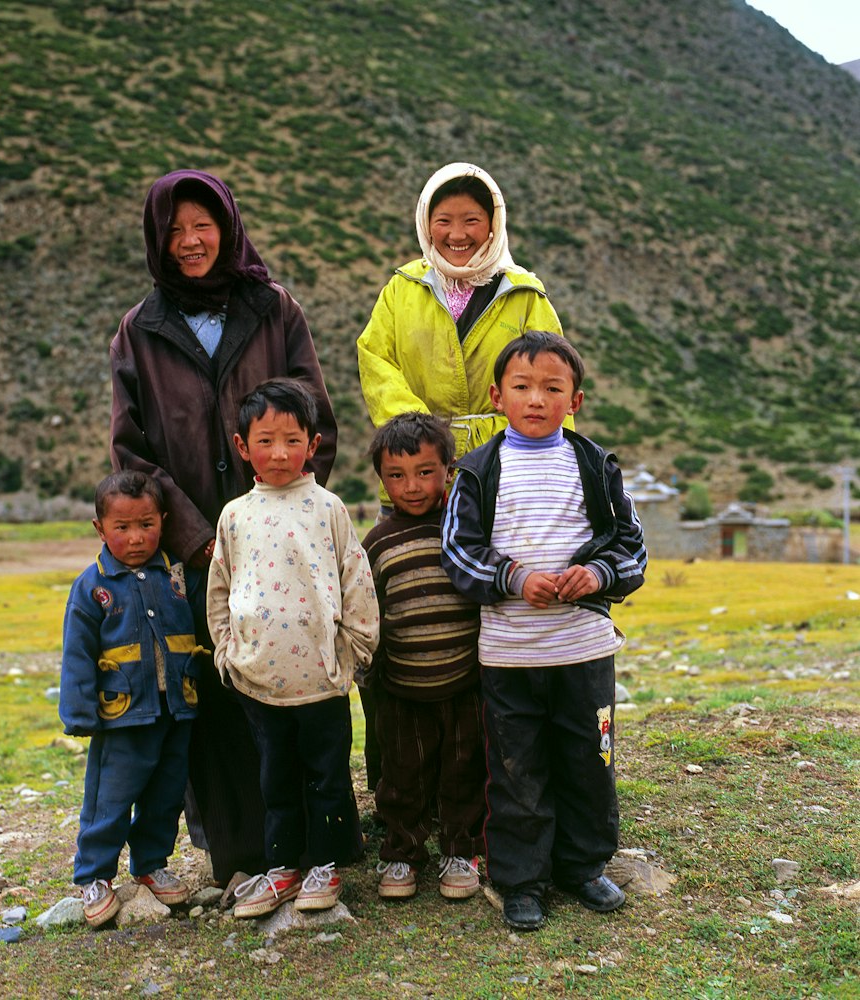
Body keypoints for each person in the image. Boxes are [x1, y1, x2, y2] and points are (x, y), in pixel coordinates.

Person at [109, 169, 338, 888]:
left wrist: (279, 518)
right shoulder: (139, 331)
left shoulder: (274, 309)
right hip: (198, 554)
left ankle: (313, 853)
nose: (189, 241)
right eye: (174, 230)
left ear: (227, 225)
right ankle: (242, 859)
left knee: (293, 691)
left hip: (285, 551)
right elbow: (132, 451)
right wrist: (198, 537)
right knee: (217, 700)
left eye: (202, 225)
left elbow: (315, 422)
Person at [355, 161, 563, 789]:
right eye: (443, 220)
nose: (457, 233)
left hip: (505, 469)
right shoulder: (402, 289)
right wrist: (421, 439)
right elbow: (376, 358)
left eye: (472, 219)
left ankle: (500, 786)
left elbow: (551, 383)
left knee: (495, 611)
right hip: (422, 467)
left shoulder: (525, 293)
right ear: (426, 223)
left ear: (493, 222)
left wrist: (554, 474)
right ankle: (409, 785)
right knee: (422, 605)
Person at [441, 331, 647, 932]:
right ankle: (521, 880)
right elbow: (458, 551)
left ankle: (582, 866)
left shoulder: (594, 464)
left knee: (590, 757)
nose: (537, 399)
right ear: (496, 396)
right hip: (510, 656)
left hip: (583, 651)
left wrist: (597, 572)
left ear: (574, 399)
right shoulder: (478, 471)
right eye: (522, 387)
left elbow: (632, 547)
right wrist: (513, 578)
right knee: (516, 768)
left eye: (552, 388)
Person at [206, 378, 378, 918]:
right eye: (265, 440)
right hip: (260, 680)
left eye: (291, 439)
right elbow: (219, 587)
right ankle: (282, 869)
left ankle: (325, 866)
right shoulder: (234, 515)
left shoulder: (327, 507)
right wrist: (226, 653)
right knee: (274, 780)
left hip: (322, 678)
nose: (278, 453)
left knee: (327, 777)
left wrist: (353, 651)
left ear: (313, 443)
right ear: (241, 446)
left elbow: (356, 581)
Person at [59, 470, 206, 927]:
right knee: (110, 799)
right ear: (100, 529)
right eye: (122, 528)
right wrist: (80, 712)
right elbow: (77, 653)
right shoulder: (92, 587)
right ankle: (94, 877)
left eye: (146, 524)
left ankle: (150, 865)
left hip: (175, 709)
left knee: (166, 796)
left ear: (163, 520)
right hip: (122, 716)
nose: (136, 537)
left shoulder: (178, 576)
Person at [361, 413, 485, 902]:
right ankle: (401, 852)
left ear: (448, 471)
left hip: (463, 682)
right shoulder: (375, 543)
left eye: (425, 471)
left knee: (463, 769)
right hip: (402, 689)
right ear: (381, 479)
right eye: (396, 475)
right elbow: (366, 611)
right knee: (401, 775)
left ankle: (460, 849)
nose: (411, 486)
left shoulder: (464, 534)